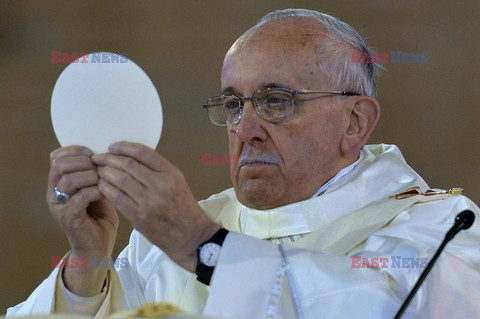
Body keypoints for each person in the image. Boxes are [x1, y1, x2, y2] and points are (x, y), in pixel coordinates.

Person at [7, 8, 480, 319]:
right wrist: (86, 265)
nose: (246, 127)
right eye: (234, 104)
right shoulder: (166, 241)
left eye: (276, 100)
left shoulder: (443, 229)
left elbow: (383, 306)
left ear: (355, 122)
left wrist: (201, 246)